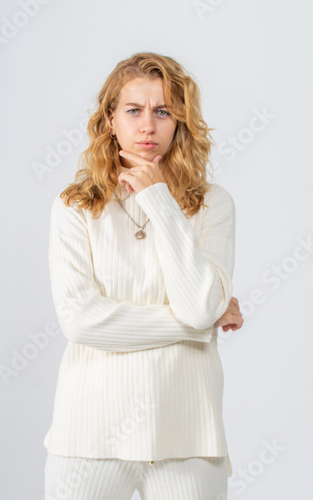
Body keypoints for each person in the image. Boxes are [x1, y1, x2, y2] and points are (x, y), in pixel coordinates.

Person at [43, 52, 243, 500]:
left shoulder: (213, 204)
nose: (147, 126)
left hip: (188, 439)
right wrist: (200, 323)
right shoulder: (75, 205)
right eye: (133, 110)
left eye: (163, 111)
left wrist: (158, 198)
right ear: (110, 119)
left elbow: (197, 303)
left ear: (180, 122)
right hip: (88, 438)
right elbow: (80, 320)